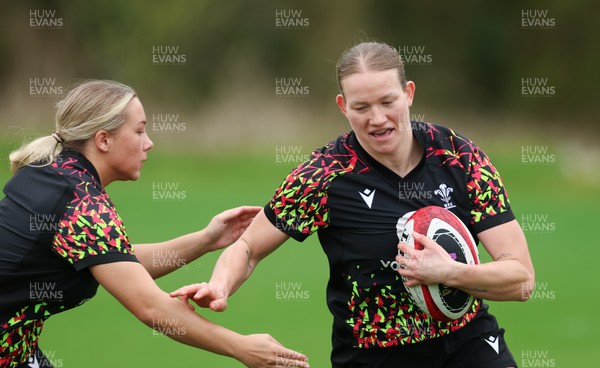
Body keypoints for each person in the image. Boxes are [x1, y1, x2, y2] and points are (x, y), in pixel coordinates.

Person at [170, 42, 535, 367]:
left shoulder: (458, 156)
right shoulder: (325, 175)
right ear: (343, 106)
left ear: (408, 93)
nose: (377, 119)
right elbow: (248, 247)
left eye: (387, 102)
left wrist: (449, 273)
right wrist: (220, 285)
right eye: (361, 107)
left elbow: (520, 279)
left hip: (469, 344)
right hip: (374, 354)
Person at [0, 80, 310, 368]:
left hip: (17, 350)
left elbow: (116, 261)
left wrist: (207, 239)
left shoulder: (53, 173)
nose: (149, 143)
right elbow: (150, 306)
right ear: (104, 140)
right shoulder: (82, 204)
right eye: (139, 131)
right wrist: (242, 347)